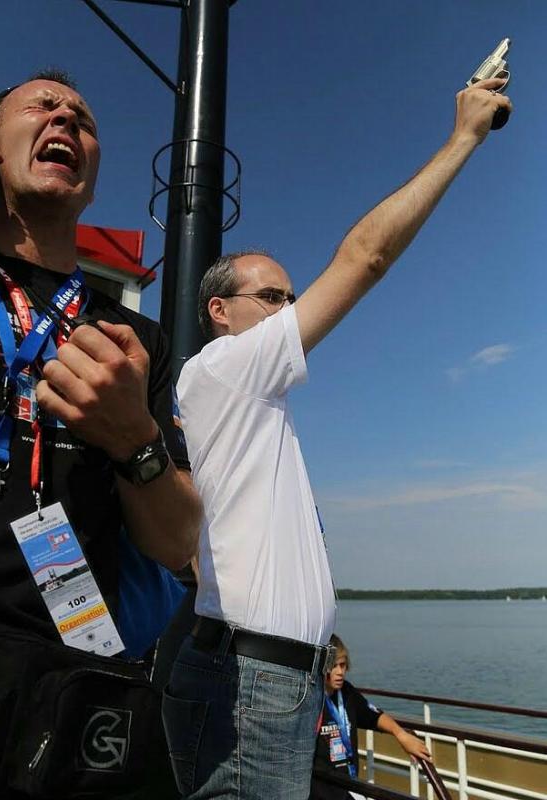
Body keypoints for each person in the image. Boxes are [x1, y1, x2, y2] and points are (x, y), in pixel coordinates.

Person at [162, 77, 511, 800]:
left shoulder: (246, 398)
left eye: (292, 298)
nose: (290, 309)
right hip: (250, 679)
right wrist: (464, 138)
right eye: (273, 297)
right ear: (219, 310)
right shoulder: (224, 367)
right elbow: (365, 258)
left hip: (274, 677)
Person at [0, 70, 202, 798]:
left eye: (82, 117)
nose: (65, 120)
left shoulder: (134, 337)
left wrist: (134, 439)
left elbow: (177, 544)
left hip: (78, 676)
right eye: (41, 107)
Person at [310, 636, 430, 800]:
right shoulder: (311, 698)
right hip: (320, 790)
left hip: (348, 786)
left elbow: (374, 716)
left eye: (343, 665)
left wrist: (400, 734)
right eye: (333, 666)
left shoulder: (347, 693)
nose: (340, 672)